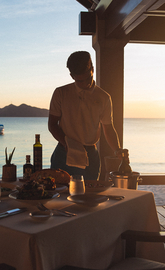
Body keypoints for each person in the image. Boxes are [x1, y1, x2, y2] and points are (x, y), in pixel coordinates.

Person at [48, 51, 124, 180]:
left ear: (92, 70)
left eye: (88, 78)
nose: (85, 84)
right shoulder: (61, 93)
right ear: (72, 76)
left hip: (90, 156)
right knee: (58, 197)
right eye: (80, 80)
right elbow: (52, 124)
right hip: (63, 153)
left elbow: (108, 127)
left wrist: (117, 150)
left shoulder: (104, 97)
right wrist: (67, 144)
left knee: (89, 197)